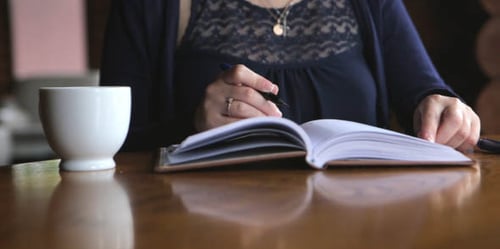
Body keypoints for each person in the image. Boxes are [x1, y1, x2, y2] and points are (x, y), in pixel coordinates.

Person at [100, 0, 480, 152]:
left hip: (360, 235)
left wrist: (446, 109)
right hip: (200, 245)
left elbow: (426, 93)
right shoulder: (149, 6)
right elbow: (107, 150)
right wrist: (190, 127)